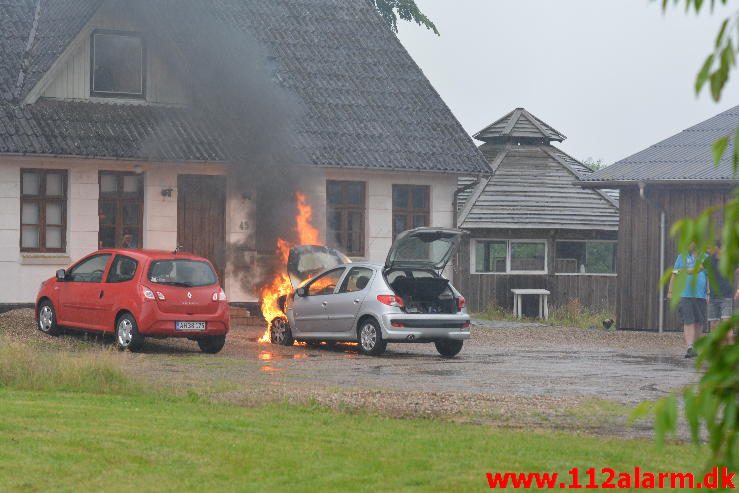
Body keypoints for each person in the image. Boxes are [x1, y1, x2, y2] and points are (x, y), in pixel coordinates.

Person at [669, 244, 708, 358]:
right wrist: (671, 291)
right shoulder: (682, 257)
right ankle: (690, 347)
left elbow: (708, 275)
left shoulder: (705, 257)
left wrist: (709, 292)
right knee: (688, 320)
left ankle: (696, 346)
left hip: (701, 295)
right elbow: (674, 274)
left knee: (699, 322)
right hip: (685, 294)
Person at [707, 241, 738, 344]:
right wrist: (706, 293)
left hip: (726, 296)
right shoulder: (709, 260)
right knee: (713, 324)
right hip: (713, 296)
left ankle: (729, 347)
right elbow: (703, 274)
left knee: (726, 323)